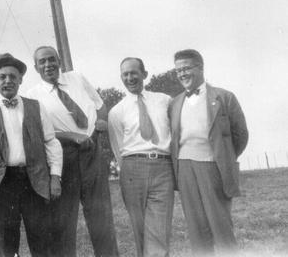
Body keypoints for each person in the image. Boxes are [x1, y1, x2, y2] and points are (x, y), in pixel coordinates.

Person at [0, 53, 63, 257]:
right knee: (5, 244)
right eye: (3, 77)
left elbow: (51, 142)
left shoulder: (36, 107)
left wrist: (55, 177)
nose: (8, 81)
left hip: (33, 181)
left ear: (20, 79)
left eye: (12, 76)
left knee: (41, 241)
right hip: (0, 185)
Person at [26, 46, 119, 257]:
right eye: (43, 62)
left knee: (101, 216)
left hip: (92, 153)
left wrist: (100, 122)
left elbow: (99, 105)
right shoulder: (31, 95)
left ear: (59, 61)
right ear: (36, 67)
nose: (48, 64)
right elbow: (40, 133)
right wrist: (71, 136)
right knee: (63, 223)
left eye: (52, 59)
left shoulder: (77, 78)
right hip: (63, 157)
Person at [169, 49, 248, 255]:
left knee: (221, 227)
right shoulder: (175, 102)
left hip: (213, 166)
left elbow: (241, 135)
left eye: (186, 68)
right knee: (196, 229)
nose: (182, 74)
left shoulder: (224, 97)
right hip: (184, 168)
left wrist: (223, 157)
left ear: (200, 68)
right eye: (178, 71)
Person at [108, 57, 174, 257]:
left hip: (162, 168)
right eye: (125, 74)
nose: (130, 77)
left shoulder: (164, 100)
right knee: (140, 230)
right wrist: (129, 170)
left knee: (159, 230)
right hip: (132, 169)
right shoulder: (116, 111)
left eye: (134, 72)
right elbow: (118, 147)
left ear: (144, 74)